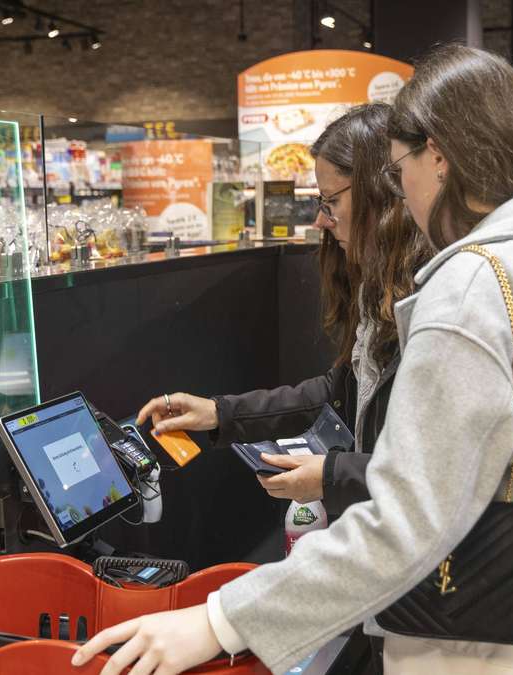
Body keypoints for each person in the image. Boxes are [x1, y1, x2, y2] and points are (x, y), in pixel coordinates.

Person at [74, 44, 513, 675]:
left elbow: (406, 522)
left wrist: (218, 621)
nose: (400, 189)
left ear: (438, 154)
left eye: (400, 166)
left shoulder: (476, 284)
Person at [137, 103, 431, 515]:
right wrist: (220, 413)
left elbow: (438, 472)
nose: (320, 221)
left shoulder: (434, 298)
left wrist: (331, 476)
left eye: (331, 201)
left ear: (379, 194)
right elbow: (338, 392)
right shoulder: (377, 287)